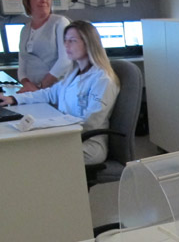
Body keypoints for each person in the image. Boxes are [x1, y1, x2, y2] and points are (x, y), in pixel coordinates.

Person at [1, 21, 120, 165]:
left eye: (72, 41)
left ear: (89, 43)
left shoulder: (102, 79)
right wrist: (13, 99)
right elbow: (49, 94)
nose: (66, 45)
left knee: (30, 157)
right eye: (65, 40)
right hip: (67, 136)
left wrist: (54, 130)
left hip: (87, 144)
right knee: (23, 149)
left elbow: (91, 122)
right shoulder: (73, 73)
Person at [18, 0, 72, 93]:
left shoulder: (60, 22)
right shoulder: (25, 30)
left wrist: (40, 87)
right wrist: (27, 84)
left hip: (57, 90)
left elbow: (66, 60)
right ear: (27, 1)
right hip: (33, 91)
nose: (43, 0)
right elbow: (22, 67)